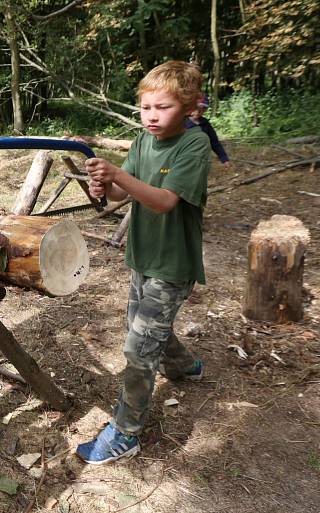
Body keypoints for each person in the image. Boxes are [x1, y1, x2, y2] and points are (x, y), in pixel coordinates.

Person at [75, 61, 210, 465]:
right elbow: (121, 195)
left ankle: (126, 432)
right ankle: (186, 367)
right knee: (147, 330)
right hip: (142, 257)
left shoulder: (194, 144)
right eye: (146, 107)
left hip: (172, 266)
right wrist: (104, 183)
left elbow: (165, 201)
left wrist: (118, 174)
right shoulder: (141, 141)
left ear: (188, 108)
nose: (152, 115)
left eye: (163, 107)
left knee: (138, 348)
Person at [185, 94, 231, 166]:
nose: (198, 112)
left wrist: (224, 158)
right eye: (196, 108)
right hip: (183, 158)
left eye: (202, 109)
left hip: (200, 159)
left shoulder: (205, 124)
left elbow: (214, 142)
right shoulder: (181, 122)